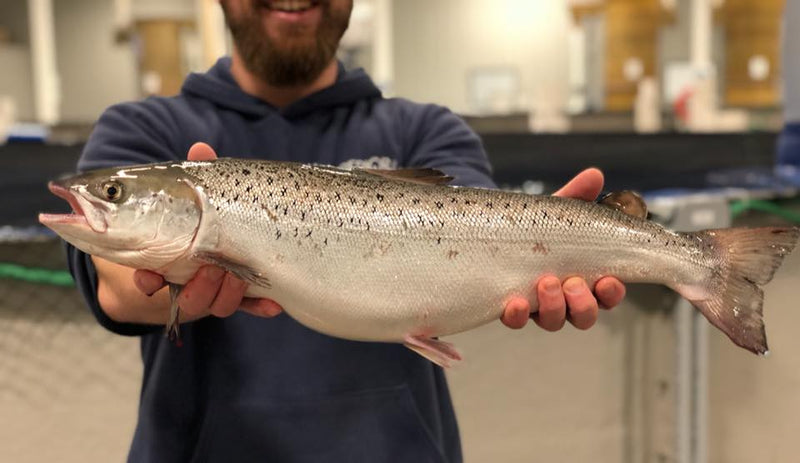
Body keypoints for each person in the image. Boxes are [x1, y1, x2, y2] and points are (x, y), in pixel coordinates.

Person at [67, 1, 626, 461]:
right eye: (114, 196)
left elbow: (479, 264)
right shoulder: (143, 130)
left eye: (114, 195)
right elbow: (115, 287)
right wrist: (178, 284)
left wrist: (559, 245)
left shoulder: (424, 129)